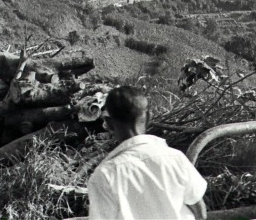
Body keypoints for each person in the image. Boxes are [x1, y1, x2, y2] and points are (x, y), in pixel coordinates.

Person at [88, 85, 208, 220]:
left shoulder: (104, 175)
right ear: (148, 118)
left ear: (109, 123)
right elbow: (200, 211)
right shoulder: (175, 157)